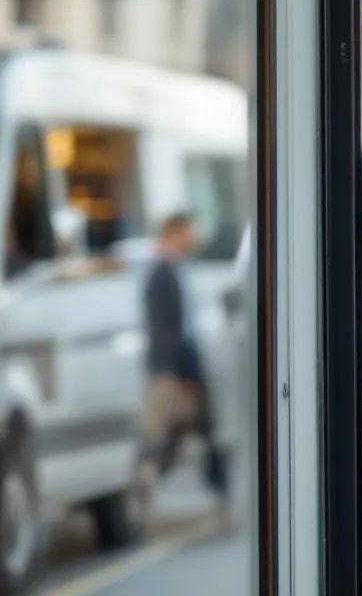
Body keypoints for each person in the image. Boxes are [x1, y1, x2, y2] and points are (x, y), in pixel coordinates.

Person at [136, 212, 231, 534]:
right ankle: (220, 504)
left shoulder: (171, 271)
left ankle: (218, 503)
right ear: (175, 232)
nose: (196, 236)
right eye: (191, 231)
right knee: (197, 435)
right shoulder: (163, 274)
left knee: (179, 437)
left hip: (174, 369)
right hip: (177, 370)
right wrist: (181, 373)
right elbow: (168, 331)